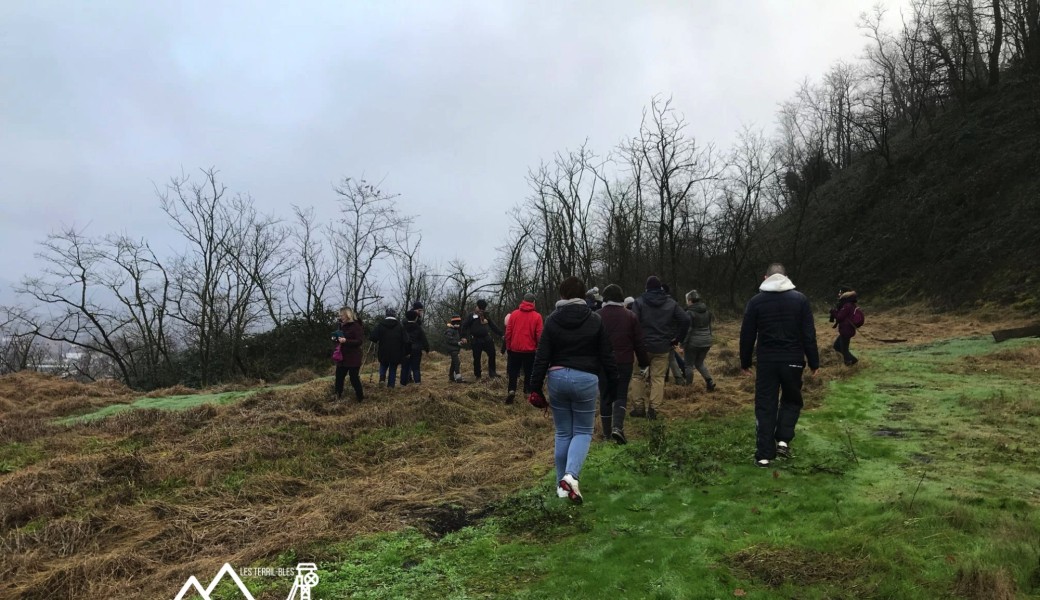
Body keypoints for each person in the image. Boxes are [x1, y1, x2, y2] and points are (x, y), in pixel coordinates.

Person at [529, 276, 618, 504]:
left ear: (562, 295)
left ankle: (562, 486)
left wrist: (535, 386)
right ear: (584, 296)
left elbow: (542, 356)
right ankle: (571, 476)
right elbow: (607, 356)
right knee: (582, 432)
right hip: (586, 379)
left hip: (557, 377)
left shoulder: (551, 320)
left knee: (562, 433)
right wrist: (613, 385)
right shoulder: (595, 320)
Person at [739, 263, 820, 468]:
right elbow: (808, 333)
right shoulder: (800, 300)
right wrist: (813, 361)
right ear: (786, 277)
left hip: (767, 361)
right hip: (793, 359)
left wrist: (745, 361)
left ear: (765, 277)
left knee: (765, 405)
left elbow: (747, 335)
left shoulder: (756, 302)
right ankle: (783, 440)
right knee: (792, 400)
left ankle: (764, 455)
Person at [631, 276, 691, 418]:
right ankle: (654, 410)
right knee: (658, 378)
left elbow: (632, 322)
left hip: (642, 347)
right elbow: (685, 319)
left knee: (638, 376)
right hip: (663, 346)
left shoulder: (639, 302)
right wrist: (677, 339)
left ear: (646, 288)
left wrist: (634, 342)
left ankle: (639, 408)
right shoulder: (671, 303)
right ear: (660, 288)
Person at [597, 284, 649, 444]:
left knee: (605, 395)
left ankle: (606, 435)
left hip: (603, 363)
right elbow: (639, 342)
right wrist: (643, 362)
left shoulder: (596, 316)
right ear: (621, 298)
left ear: (604, 298)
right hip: (624, 361)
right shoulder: (630, 316)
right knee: (620, 395)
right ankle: (617, 428)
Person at [504, 292, 543, 404]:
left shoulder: (514, 314)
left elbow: (508, 332)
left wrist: (508, 346)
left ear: (523, 301)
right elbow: (539, 335)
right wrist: (539, 348)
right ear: (533, 302)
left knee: (513, 371)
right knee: (529, 372)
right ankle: (527, 391)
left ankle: (511, 390)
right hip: (530, 350)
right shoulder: (537, 316)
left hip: (515, 349)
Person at [368, 308, 411, 389]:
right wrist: (406, 351)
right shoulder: (400, 326)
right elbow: (406, 340)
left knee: (383, 364)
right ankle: (390, 386)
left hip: (383, 350)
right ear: (395, 315)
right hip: (396, 352)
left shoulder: (380, 325)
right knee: (393, 368)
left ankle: (382, 378)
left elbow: (373, 338)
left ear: (386, 315)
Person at [683, 290, 716, 391]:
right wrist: (710, 338)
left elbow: (688, 330)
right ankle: (709, 381)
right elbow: (710, 327)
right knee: (699, 363)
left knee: (688, 365)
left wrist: (683, 344)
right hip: (706, 341)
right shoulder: (707, 311)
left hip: (694, 342)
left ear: (690, 300)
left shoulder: (689, 312)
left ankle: (688, 388)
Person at [460, 299, 503, 379]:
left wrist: (501, 334)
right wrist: (463, 336)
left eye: (482, 309)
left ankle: (492, 373)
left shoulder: (486, 316)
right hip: (476, 340)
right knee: (476, 358)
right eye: (479, 308)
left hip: (487, 338)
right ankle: (478, 375)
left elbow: (493, 326)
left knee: (492, 354)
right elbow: (464, 326)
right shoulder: (471, 316)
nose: (480, 310)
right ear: (476, 307)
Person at [331, 307, 365, 402]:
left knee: (354, 378)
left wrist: (346, 341)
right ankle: (337, 396)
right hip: (342, 357)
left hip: (353, 357)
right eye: (340, 315)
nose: (340, 317)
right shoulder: (340, 326)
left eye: (341, 315)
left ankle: (360, 398)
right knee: (339, 377)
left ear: (347, 315)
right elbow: (337, 338)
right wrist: (335, 338)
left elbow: (359, 341)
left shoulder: (356, 326)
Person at [829, 286, 860, 366]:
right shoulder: (848, 304)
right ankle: (848, 362)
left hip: (846, 330)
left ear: (844, 293)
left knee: (844, 351)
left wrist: (833, 312)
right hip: (846, 330)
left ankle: (852, 362)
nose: (838, 294)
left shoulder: (847, 305)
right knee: (837, 346)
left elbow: (839, 317)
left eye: (840, 292)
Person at [401, 309, 430, 385]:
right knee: (416, 367)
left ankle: (403, 383)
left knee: (404, 367)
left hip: (405, 350)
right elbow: (424, 339)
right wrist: (427, 349)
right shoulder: (418, 328)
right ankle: (417, 382)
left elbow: (400, 339)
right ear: (416, 318)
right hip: (416, 349)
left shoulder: (403, 328)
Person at [445, 315, 465, 383]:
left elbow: (455, 339)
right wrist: (457, 343)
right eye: (456, 323)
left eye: (459, 323)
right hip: (452, 350)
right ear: (453, 323)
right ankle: (458, 378)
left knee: (453, 363)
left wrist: (461, 341)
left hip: (456, 349)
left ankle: (451, 377)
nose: (458, 324)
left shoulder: (456, 330)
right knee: (457, 362)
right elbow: (449, 340)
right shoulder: (449, 330)